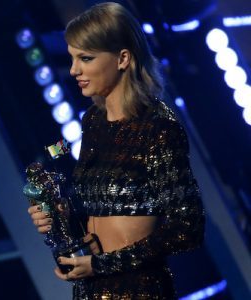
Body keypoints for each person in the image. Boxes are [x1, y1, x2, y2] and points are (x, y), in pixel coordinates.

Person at [27, 2, 205, 298]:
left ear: (123, 58)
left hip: (139, 290)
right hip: (91, 290)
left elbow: (187, 227)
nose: (73, 70)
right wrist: (61, 215)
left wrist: (103, 265)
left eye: (85, 58)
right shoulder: (93, 122)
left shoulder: (156, 127)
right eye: (72, 58)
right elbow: (100, 212)